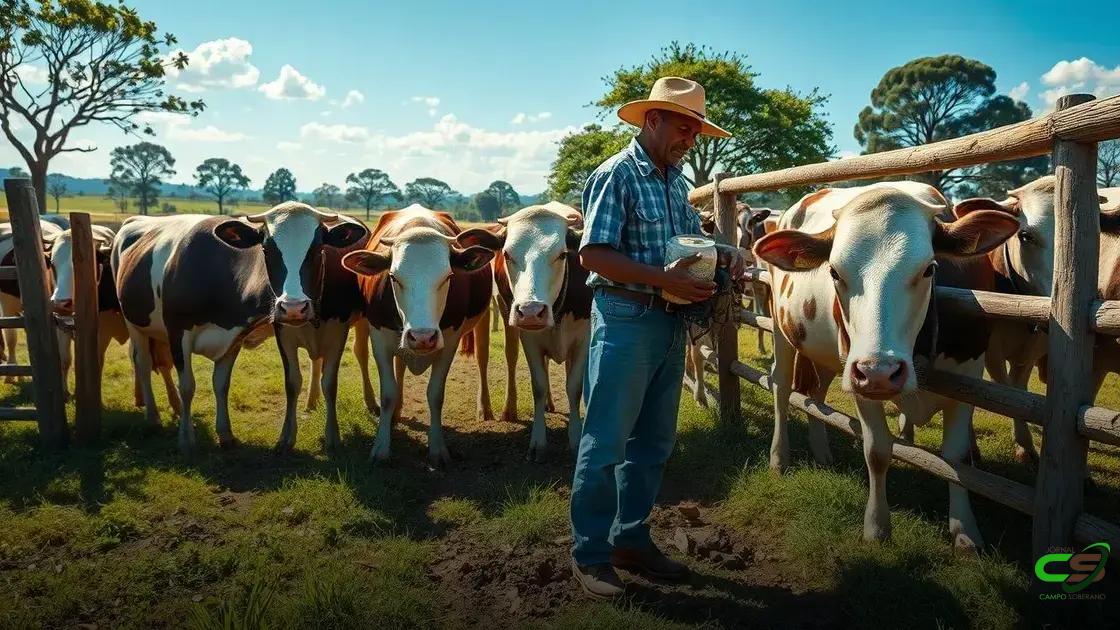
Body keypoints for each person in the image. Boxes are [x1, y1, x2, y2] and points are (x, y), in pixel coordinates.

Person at [569, 76, 745, 598]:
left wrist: (727, 256)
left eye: (696, 130)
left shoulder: (672, 181)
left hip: (669, 322)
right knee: (604, 442)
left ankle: (630, 538)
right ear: (652, 120)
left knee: (654, 443)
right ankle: (591, 556)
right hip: (625, 317)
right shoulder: (616, 175)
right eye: (683, 126)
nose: (691, 138)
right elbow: (593, 255)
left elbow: (689, 240)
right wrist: (665, 280)